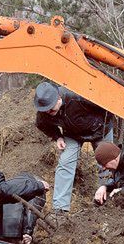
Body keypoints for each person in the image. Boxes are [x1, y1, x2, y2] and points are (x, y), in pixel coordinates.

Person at [34, 82, 113, 215]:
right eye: (45, 109)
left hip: (99, 130)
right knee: (65, 162)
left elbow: (107, 108)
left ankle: (107, 199)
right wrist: (57, 136)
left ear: (58, 97)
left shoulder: (79, 96)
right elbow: (41, 124)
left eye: (51, 109)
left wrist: (100, 128)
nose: (48, 112)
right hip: (72, 134)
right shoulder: (45, 110)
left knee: (107, 162)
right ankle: (60, 209)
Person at [2, 173, 46, 244]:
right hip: (16, 232)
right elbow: (31, 211)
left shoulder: (8, 184)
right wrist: (28, 232)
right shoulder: (36, 187)